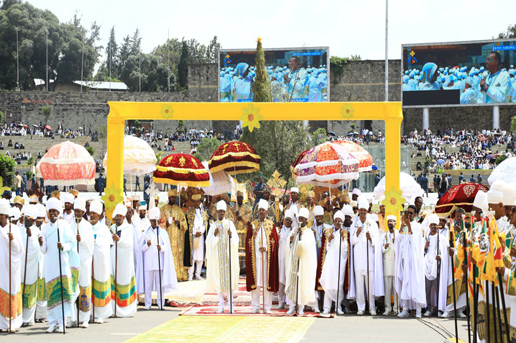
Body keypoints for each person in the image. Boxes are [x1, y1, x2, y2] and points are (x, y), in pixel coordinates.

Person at [38, 197, 78, 333]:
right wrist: (41, 243)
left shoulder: (64, 225)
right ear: (48, 213)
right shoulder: (44, 227)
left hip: (62, 264)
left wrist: (63, 246)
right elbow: (44, 250)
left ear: (59, 212)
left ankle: (62, 322)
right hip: (50, 265)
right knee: (51, 296)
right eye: (51, 211)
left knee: (62, 295)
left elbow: (72, 242)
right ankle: (52, 322)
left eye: (55, 211)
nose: (53, 213)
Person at [348, 197, 384, 316]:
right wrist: (357, 234)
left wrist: (371, 239)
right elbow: (351, 241)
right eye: (361, 210)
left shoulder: (372, 223)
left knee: (370, 285)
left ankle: (372, 307)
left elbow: (377, 242)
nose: (363, 212)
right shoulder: (354, 223)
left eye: (365, 210)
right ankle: (361, 307)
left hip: (370, 259)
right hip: (359, 259)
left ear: (367, 210)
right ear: (358, 210)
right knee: (359, 285)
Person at [245, 199, 279, 314]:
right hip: (256, 259)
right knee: (256, 284)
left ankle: (267, 306)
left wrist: (267, 248)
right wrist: (253, 238)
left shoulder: (271, 225)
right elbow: (248, 242)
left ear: (266, 212)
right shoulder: (253, 225)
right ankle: (255, 306)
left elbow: (275, 242)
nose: (261, 212)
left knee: (266, 283)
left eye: (263, 210)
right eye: (259, 210)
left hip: (267, 260)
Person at [205, 200, 239, 313]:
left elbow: (236, 241)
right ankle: (221, 305)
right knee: (218, 282)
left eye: (223, 212)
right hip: (217, 260)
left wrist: (231, 236)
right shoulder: (213, 226)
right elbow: (208, 242)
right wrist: (214, 235)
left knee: (229, 282)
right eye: (220, 211)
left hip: (228, 259)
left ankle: (230, 306)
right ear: (217, 212)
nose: (222, 213)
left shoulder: (230, 224)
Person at [139, 207, 177, 310]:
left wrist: (162, 248)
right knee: (148, 285)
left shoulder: (163, 232)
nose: (155, 223)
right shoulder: (146, 233)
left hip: (159, 262)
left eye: (156, 221)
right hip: (149, 263)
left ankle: (161, 304)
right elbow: (141, 249)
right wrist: (147, 245)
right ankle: (148, 304)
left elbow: (167, 248)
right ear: (150, 221)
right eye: (153, 221)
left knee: (160, 285)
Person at [395, 205, 426, 318]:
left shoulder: (417, 226)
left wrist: (409, 227)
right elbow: (398, 240)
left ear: (416, 215)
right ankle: (405, 308)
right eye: (408, 212)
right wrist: (402, 227)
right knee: (405, 283)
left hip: (414, 260)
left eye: (411, 213)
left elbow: (414, 242)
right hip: (405, 259)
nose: (409, 215)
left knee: (415, 283)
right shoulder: (403, 226)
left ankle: (418, 310)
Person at [285, 207, 317, 316]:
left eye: (303, 219)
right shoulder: (294, 231)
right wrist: (291, 240)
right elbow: (288, 246)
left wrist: (301, 237)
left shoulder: (309, 233)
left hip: (304, 264)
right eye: (299, 218)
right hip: (294, 263)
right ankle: (291, 306)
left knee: (301, 285)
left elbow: (308, 247)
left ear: (306, 221)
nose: (300, 220)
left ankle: (301, 307)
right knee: (293, 284)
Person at [70, 198, 94, 328]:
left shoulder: (87, 226)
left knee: (84, 288)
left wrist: (82, 240)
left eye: (79, 211)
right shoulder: (69, 225)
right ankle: (73, 318)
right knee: (73, 289)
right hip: (73, 262)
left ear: (83, 212)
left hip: (84, 262)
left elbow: (91, 245)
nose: (77, 213)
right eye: (76, 211)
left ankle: (84, 318)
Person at [110, 203, 137, 317]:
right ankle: (113, 308)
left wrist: (119, 240)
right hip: (113, 259)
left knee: (124, 281)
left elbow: (129, 245)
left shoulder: (128, 228)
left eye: (121, 216)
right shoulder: (111, 228)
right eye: (117, 216)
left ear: (124, 217)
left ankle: (126, 309)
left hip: (124, 261)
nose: (119, 218)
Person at [0, 198, 23, 332]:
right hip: (0, 267)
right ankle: (1, 324)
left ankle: (13, 323)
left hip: (12, 267)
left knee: (12, 291)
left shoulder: (13, 228)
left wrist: (12, 240)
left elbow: (18, 250)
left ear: (6, 216)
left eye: (0, 215)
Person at [319, 210, 348, 315]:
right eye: (336, 220)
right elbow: (325, 249)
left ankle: (337, 306)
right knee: (328, 283)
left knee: (338, 284)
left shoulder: (345, 233)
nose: (337, 222)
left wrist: (344, 239)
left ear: (342, 222)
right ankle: (326, 307)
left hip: (340, 262)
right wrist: (329, 240)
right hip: (330, 262)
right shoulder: (328, 232)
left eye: (339, 221)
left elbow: (345, 250)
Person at [89, 200, 113, 323]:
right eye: (90, 213)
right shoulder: (86, 227)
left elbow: (106, 245)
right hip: (88, 262)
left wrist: (96, 243)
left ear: (99, 215)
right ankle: (88, 312)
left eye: (94, 213)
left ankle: (100, 314)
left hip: (100, 263)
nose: (91, 215)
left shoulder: (103, 229)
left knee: (100, 287)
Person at [423, 214, 448, 317]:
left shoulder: (441, 238)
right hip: (427, 266)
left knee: (438, 289)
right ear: (429, 226)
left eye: (435, 225)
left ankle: (438, 308)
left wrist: (440, 257)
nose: (433, 227)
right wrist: (425, 248)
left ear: (438, 226)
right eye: (431, 225)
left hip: (437, 266)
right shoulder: (426, 238)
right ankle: (428, 308)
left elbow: (445, 253)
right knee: (427, 289)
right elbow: (422, 253)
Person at [160, 189, 188, 281]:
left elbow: (185, 225)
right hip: (167, 238)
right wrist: (165, 224)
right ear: (168, 198)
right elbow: (159, 223)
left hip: (177, 240)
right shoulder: (163, 209)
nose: (173, 199)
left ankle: (177, 274)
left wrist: (179, 222)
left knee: (176, 256)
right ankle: (167, 276)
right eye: (171, 197)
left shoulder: (179, 210)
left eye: (174, 197)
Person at [20, 205, 40, 327]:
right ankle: (19, 316)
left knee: (30, 291)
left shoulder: (37, 231)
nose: (27, 221)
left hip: (32, 266)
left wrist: (31, 235)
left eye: (29, 219)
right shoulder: (19, 230)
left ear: (33, 220)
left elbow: (36, 249)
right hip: (21, 266)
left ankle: (28, 319)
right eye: (25, 218)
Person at [313, 205, 331, 312]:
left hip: (325, 256)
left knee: (324, 278)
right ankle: (317, 303)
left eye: (320, 216)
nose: (319, 218)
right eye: (317, 217)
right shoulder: (311, 228)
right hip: (315, 255)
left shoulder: (328, 228)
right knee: (316, 279)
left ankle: (326, 303)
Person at [186, 194, 208, 281]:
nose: (196, 203)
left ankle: (198, 274)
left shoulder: (203, 213)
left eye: (198, 202)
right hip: (193, 236)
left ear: (200, 202)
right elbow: (189, 225)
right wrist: (195, 232)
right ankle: (190, 274)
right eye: (194, 202)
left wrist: (201, 231)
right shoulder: (189, 212)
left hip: (201, 236)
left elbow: (204, 224)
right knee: (193, 256)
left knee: (200, 256)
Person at [277, 209, 295, 309]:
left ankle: (289, 301)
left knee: (288, 280)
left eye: (290, 220)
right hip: (280, 257)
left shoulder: (294, 231)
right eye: (286, 219)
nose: (288, 221)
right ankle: (281, 301)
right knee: (280, 281)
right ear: (283, 220)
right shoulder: (278, 230)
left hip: (289, 258)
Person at [381, 215, 397, 316]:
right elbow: (381, 250)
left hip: (395, 265)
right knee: (387, 289)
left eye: (392, 221)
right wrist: (385, 247)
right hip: (387, 264)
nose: (390, 223)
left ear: (395, 223)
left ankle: (396, 309)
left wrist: (396, 244)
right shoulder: (383, 236)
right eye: (389, 221)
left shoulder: (398, 235)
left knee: (396, 289)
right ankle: (387, 308)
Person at [232, 190, 252, 268]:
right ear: (236, 199)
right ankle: (238, 266)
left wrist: (242, 217)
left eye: (241, 197)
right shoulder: (234, 207)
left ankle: (245, 266)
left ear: (243, 198)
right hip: (236, 231)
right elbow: (231, 218)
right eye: (238, 198)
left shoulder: (246, 207)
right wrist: (235, 216)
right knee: (237, 248)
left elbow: (250, 215)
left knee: (245, 248)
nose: (240, 199)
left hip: (244, 230)